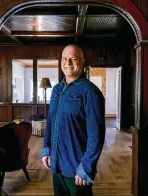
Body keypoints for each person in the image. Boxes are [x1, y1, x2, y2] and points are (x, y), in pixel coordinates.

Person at [40, 44, 106, 196]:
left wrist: (87, 167)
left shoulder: (90, 92)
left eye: (73, 59)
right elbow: (50, 121)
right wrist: (46, 149)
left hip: (77, 170)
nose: (68, 63)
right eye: (64, 58)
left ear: (82, 62)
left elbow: (96, 135)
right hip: (56, 164)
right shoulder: (56, 89)